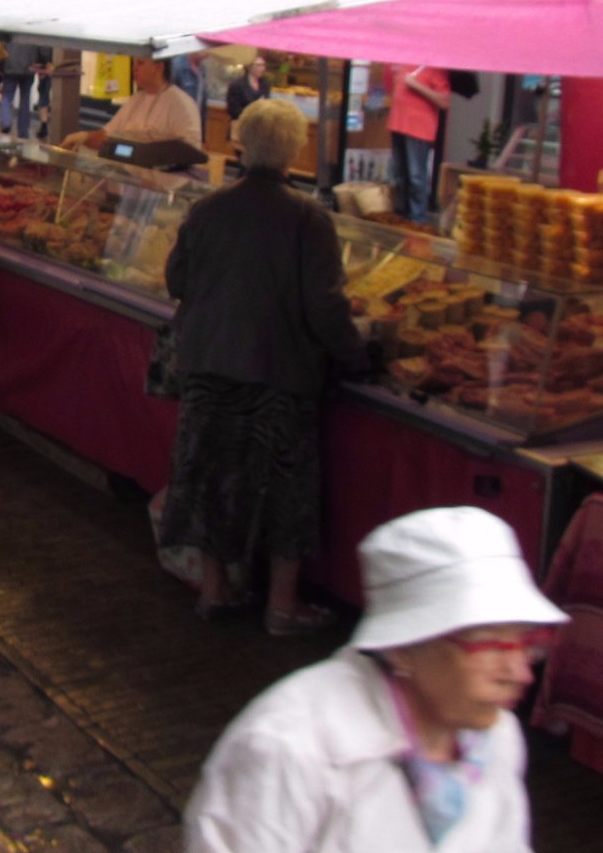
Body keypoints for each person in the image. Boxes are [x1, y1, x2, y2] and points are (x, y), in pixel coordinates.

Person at [116, 505, 567, 853]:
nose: (518, 671)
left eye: (526, 644)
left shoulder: (493, 737)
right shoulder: (289, 743)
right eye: (489, 645)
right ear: (406, 647)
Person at [160, 98, 363, 636]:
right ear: (294, 150)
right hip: (277, 373)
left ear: (242, 145)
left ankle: (214, 590)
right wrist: (357, 353)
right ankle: (281, 606)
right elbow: (325, 306)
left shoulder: (207, 209)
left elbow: (176, 280)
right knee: (283, 489)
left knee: (208, 478)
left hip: (207, 364)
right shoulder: (308, 219)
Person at [61, 57, 203, 152]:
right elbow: (108, 135)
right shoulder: (136, 100)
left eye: (140, 63)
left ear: (159, 67)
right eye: (134, 64)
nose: (134, 69)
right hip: (129, 183)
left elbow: (190, 152)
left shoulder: (181, 104)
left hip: (163, 188)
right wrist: (86, 137)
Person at [389, 63, 451, 224]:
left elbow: (444, 101)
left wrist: (416, 85)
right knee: (399, 174)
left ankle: (417, 218)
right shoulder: (406, 65)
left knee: (416, 175)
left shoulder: (435, 69)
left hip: (418, 128)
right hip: (398, 124)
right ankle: (402, 214)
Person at [0, 40, 44, 140]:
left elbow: (1, 47)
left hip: (10, 65)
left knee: (6, 96)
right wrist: (42, 63)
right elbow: (41, 47)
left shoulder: (10, 29)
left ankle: (5, 122)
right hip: (29, 67)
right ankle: (23, 131)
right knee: (25, 98)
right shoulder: (32, 30)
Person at [223, 55, 272, 123]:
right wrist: (255, 108)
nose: (262, 68)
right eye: (258, 65)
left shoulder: (265, 84)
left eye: (263, 65)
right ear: (249, 67)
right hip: (242, 125)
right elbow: (234, 111)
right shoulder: (237, 85)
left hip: (260, 126)